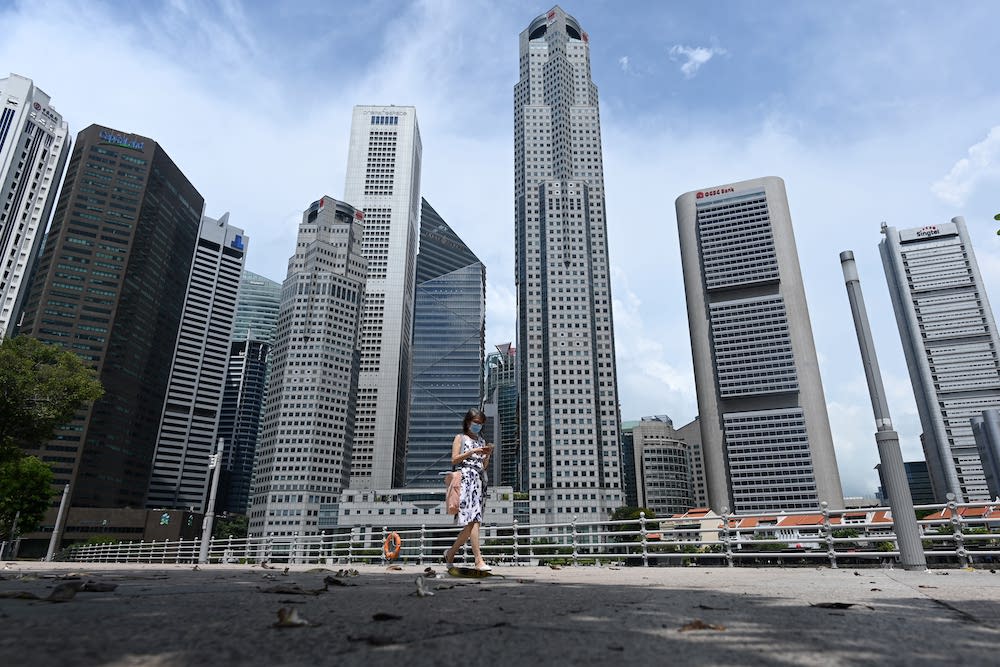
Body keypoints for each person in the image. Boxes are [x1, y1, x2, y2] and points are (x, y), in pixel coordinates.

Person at [444, 408, 494, 571]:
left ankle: (450, 553)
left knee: (473, 522)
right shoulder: (460, 438)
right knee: (474, 520)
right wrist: (473, 451)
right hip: (467, 479)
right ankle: (478, 560)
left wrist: (487, 455)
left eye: (481, 423)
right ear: (468, 421)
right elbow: (454, 459)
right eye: (476, 422)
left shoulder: (481, 440)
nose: (478, 426)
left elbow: (484, 466)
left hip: (480, 481)